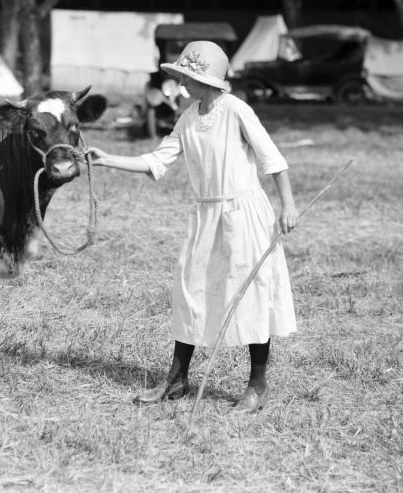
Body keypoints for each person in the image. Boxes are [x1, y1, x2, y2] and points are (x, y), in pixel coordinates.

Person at [89, 40, 298, 414]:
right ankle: (177, 379)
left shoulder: (236, 110)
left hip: (244, 213)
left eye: (188, 75)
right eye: (182, 74)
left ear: (207, 78)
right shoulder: (188, 117)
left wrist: (289, 206)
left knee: (249, 294)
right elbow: (157, 161)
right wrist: (107, 160)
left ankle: (257, 385)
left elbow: (273, 160)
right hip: (207, 216)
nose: (182, 82)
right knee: (190, 291)